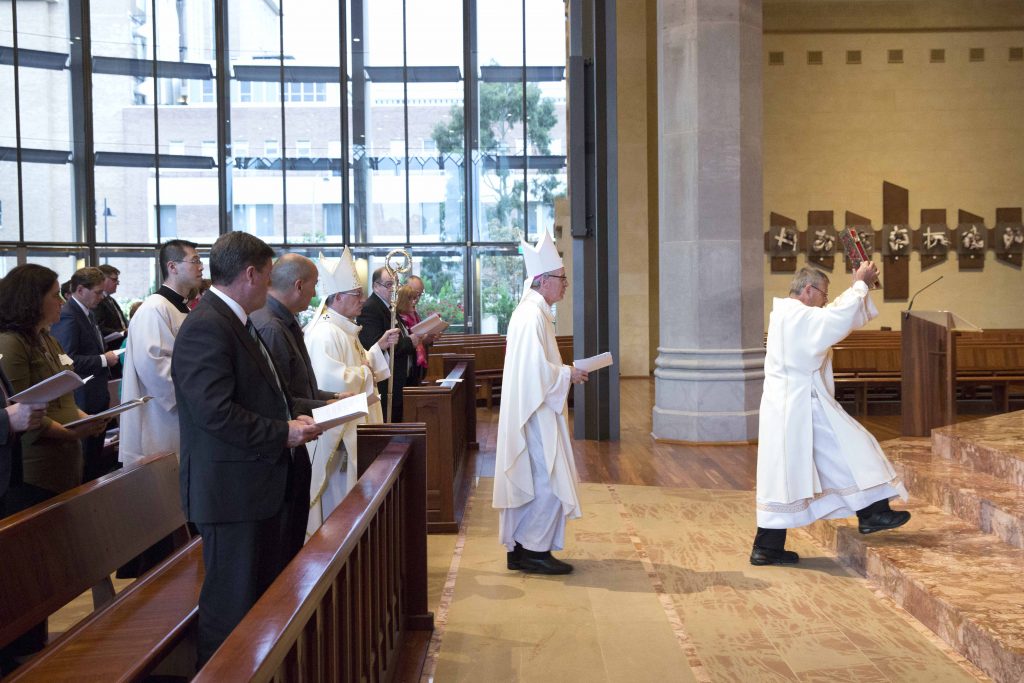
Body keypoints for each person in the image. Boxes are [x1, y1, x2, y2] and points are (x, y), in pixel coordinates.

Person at [172, 231, 322, 666]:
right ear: (251, 274)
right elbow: (215, 413)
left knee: (262, 601)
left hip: (257, 486)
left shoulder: (236, 321)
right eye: (269, 274)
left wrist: (302, 415)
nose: (272, 283)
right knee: (231, 610)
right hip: (231, 494)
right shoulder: (207, 325)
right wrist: (283, 433)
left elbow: (266, 395)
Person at [751, 263, 911, 566]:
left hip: (791, 407)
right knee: (854, 448)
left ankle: (767, 548)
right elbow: (834, 319)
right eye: (823, 294)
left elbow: (832, 316)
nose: (826, 299)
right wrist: (859, 285)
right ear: (808, 290)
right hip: (801, 407)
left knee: (787, 477)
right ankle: (873, 512)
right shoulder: (797, 316)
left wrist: (861, 289)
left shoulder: (789, 315)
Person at [492, 231, 588, 575]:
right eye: (561, 279)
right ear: (544, 280)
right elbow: (536, 372)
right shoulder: (532, 315)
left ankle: (520, 549)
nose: (565, 286)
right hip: (535, 413)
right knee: (547, 481)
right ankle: (534, 550)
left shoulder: (533, 312)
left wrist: (564, 373)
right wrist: (568, 374)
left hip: (533, 408)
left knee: (535, 480)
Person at [251, 253, 345, 543]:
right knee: (284, 538)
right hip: (281, 447)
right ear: (298, 284)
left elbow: (300, 381)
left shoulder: (283, 320)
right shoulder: (271, 325)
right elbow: (282, 397)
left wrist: (334, 396)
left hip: (294, 440)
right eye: (315, 285)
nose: (317, 294)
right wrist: (326, 406)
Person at [304, 249, 398, 536]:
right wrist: (367, 371)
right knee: (338, 508)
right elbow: (332, 386)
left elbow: (360, 366)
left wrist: (371, 359)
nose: (362, 299)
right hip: (340, 439)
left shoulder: (345, 330)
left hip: (357, 428)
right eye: (356, 294)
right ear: (337, 298)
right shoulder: (325, 333)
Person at [119, 240, 203, 468]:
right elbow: (157, 369)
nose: (201, 266)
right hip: (162, 420)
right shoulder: (155, 308)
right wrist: (202, 398)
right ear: (172, 267)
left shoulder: (180, 307)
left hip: (185, 416)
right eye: (194, 261)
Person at [50, 266, 120, 483]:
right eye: (98, 292)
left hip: (95, 395)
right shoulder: (69, 315)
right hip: (82, 399)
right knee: (85, 466)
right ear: (80, 290)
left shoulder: (87, 313)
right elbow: (67, 360)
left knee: (94, 464)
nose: (101, 297)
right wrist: (102, 359)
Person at [357, 267, 423, 422]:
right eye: (388, 284)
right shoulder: (371, 308)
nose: (393, 288)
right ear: (375, 286)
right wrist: (409, 342)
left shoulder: (389, 307)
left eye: (395, 284)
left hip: (398, 378)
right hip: (386, 382)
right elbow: (375, 344)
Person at [94, 264, 129, 355]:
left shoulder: (110, 299)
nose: (117, 283)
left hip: (119, 348)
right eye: (114, 279)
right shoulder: (97, 301)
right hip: (110, 350)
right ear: (102, 280)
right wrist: (123, 332)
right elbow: (100, 328)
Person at [396, 284, 427, 386]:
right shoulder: (399, 318)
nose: (414, 302)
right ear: (403, 300)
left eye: (415, 298)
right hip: (404, 366)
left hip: (414, 365)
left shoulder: (414, 315)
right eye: (411, 299)